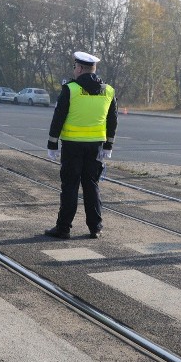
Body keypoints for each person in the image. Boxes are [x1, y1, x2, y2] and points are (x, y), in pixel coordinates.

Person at [45, 51, 118, 239]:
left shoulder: (71, 89)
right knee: (91, 186)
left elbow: (58, 117)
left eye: (75, 67)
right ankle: (96, 228)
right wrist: (108, 146)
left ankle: (63, 228)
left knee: (70, 186)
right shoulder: (108, 91)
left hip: (72, 146)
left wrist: (52, 144)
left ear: (79, 68)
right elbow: (113, 120)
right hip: (96, 148)